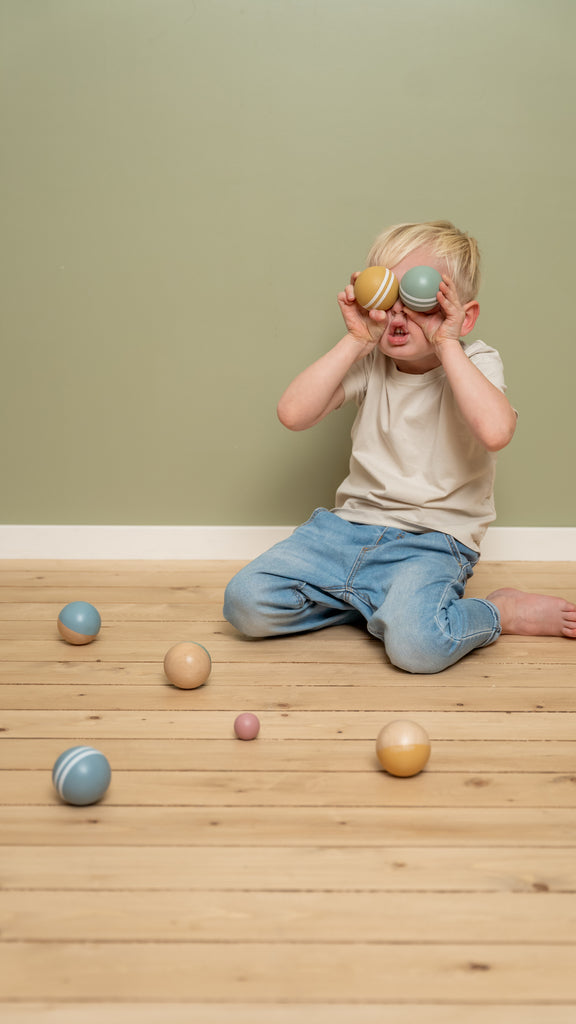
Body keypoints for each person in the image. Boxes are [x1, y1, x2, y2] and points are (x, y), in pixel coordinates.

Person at [223, 220, 576, 673]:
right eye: (387, 298)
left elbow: (496, 431)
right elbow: (293, 414)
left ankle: (498, 612)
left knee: (418, 648)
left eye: (419, 301)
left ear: (462, 315)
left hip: (431, 543)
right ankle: (372, 602)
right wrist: (355, 339)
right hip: (345, 532)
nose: (397, 315)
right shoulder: (370, 362)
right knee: (245, 603)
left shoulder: (474, 361)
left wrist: (446, 343)